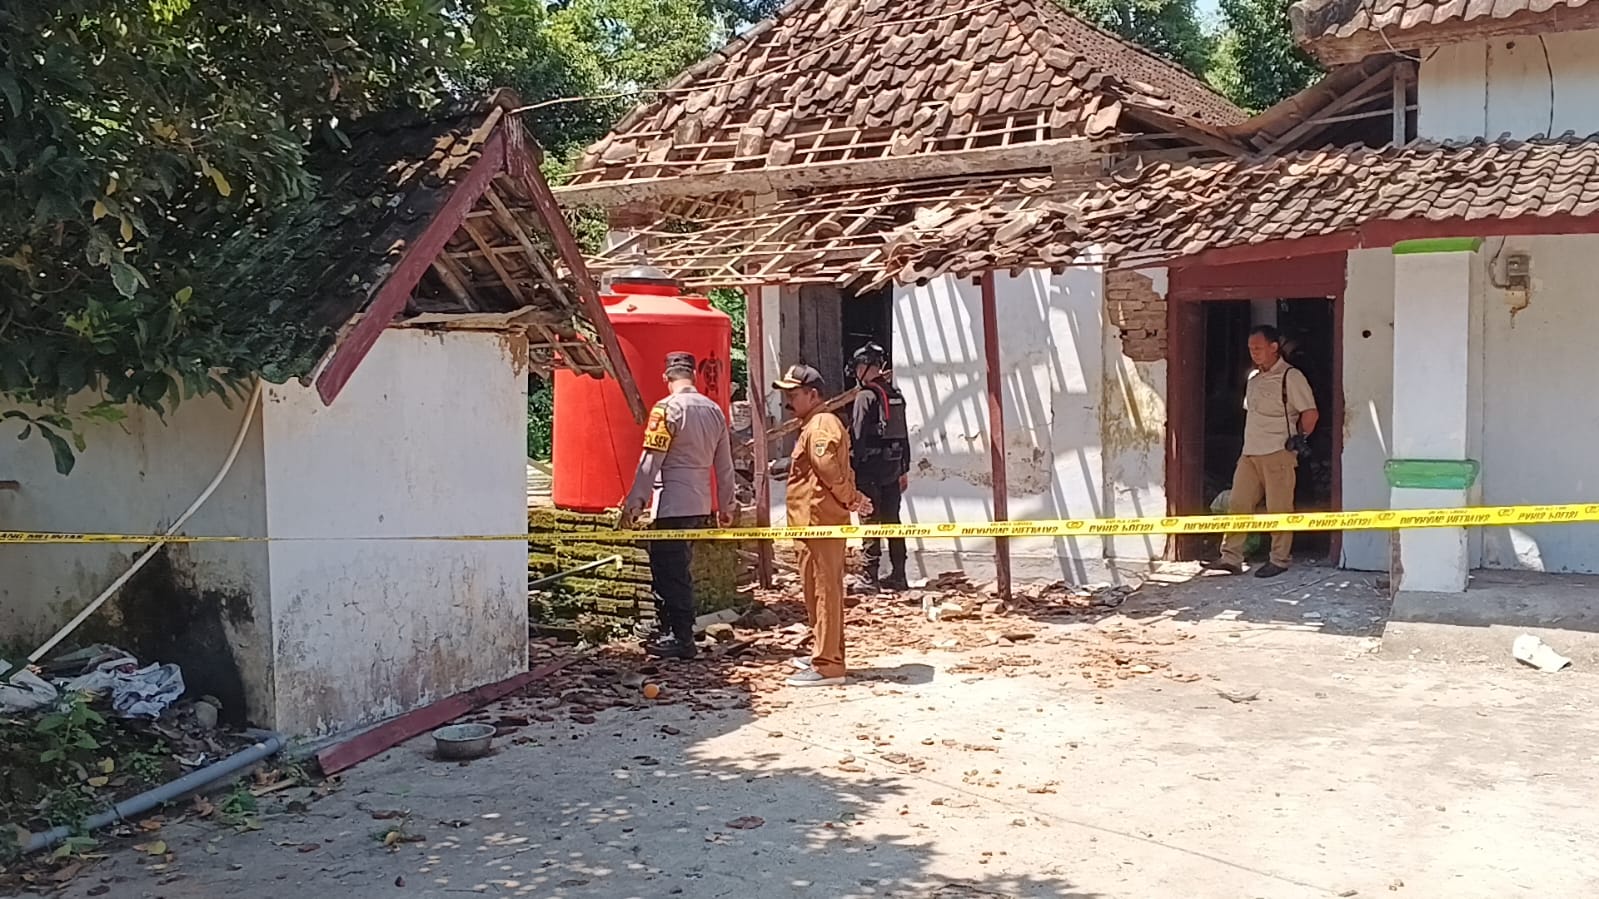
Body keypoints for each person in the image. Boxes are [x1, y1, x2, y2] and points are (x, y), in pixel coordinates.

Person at [623, 352, 736, 659]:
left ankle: (680, 637)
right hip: (700, 503)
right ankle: (672, 628)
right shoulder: (715, 410)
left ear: (666, 378)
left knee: (669, 571)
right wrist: (727, 504)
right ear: (694, 376)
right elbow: (725, 465)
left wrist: (635, 501)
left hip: (672, 502)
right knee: (679, 568)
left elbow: (651, 458)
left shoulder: (666, 410)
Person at [771, 363, 872, 687]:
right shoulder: (814, 424)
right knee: (817, 591)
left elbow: (826, 464)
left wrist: (851, 498)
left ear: (813, 394)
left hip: (820, 524)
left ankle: (828, 665)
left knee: (824, 592)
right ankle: (824, 651)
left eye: (794, 395)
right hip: (812, 524)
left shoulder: (822, 423)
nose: (789, 402)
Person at [1204, 325, 1319, 579]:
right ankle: (1231, 557)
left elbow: (1310, 413)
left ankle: (1279, 559)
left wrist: (1298, 438)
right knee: (1238, 504)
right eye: (1250, 348)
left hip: (1277, 451)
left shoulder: (1291, 377)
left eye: (1258, 347)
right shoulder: (1253, 378)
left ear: (1274, 347)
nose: (1253, 352)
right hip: (1250, 452)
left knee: (1279, 508)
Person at [847, 343, 911, 591]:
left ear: (865, 367)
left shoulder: (865, 396)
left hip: (869, 470)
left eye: (858, 367)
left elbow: (857, 436)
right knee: (893, 521)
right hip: (893, 468)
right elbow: (904, 435)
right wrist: (904, 468)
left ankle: (869, 577)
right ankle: (899, 575)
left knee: (870, 521)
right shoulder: (895, 394)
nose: (856, 373)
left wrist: (851, 469)